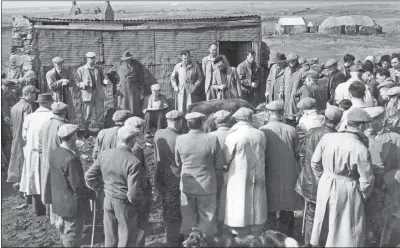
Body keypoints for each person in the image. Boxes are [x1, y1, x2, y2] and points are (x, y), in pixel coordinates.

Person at [310, 107, 374, 247]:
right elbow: (367, 179)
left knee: (325, 222)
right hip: (347, 187)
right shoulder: (359, 147)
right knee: (346, 228)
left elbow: (315, 163)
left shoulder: (327, 137)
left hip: (326, 183)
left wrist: (323, 178)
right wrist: (362, 195)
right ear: (362, 125)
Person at [85, 126, 143, 247]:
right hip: (124, 204)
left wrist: (100, 188)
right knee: (126, 238)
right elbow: (132, 194)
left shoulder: (104, 154)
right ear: (132, 141)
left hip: (108, 200)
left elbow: (89, 176)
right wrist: (139, 202)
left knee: (110, 236)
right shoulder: (133, 162)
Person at [295, 105, 343, 246]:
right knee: (326, 216)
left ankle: (309, 243)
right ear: (338, 122)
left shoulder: (312, 132)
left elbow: (302, 154)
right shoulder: (337, 137)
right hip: (326, 183)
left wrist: (305, 171)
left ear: (324, 119)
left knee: (311, 214)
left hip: (309, 181)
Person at [175, 112, 224, 237]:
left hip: (187, 186)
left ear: (187, 124)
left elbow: (177, 162)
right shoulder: (212, 139)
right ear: (202, 123)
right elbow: (219, 164)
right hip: (207, 185)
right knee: (207, 219)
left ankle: (189, 243)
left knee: (188, 219)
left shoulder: (180, 139)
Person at [223, 107, 267, 235]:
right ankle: (256, 227)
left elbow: (226, 158)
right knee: (256, 200)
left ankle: (238, 229)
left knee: (239, 200)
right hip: (257, 172)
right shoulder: (260, 134)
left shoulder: (233, 135)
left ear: (236, 119)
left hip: (238, 174)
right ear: (249, 118)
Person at [260, 101, 300, 237]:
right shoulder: (292, 130)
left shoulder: (263, 131)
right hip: (289, 171)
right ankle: (287, 235)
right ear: (282, 113)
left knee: (270, 205)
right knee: (287, 206)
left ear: (268, 113)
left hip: (270, 171)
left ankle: (271, 236)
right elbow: (297, 152)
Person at [50, 124, 94, 247]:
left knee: (64, 232)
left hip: (59, 201)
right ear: (73, 136)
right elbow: (78, 186)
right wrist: (91, 193)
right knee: (73, 235)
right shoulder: (71, 159)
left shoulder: (55, 153)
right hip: (71, 205)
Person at [363, 106, 400, 244]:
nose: (369, 125)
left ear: (381, 120)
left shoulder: (395, 139)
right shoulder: (361, 138)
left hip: (386, 186)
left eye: (372, 121)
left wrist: (388, 180)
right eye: (367, 121)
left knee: (386, 220)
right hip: (366, 186)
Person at [153, 110, 185, 247]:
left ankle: (170, 236)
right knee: (175, 211)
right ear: (179, 121)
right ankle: (174, 240)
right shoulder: (180, 138)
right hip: (175, 177)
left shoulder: (158, 134)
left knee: (166, 208)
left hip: (160, 175)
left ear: (167, 121)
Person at [19, 93, 54, 216]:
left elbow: (24, 136)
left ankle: (37, 208)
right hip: (45, 151)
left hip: (31, 151)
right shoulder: (52, 116)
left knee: (34, 178)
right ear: (49, 103)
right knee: (47, 178)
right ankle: (49, 210)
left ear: (38, 103)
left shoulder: (29, 117)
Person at [39, 102, 73, 224]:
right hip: (59, 161)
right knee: (60, 189)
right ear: (64, 113)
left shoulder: (45, 125)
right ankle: (59, 218)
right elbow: (69, 148)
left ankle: (50, 214)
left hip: (46, 161)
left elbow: (39, 145)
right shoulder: (63, 126)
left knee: (48, 187)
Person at [123, 117, 153, 247]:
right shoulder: (136, 148)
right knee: (140, 223)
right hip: (137, 189)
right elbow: (137, 172)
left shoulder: (120, 141)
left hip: (123, 188)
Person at [7, 85, 38, 186]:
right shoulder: (28, 106)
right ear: (29, 94)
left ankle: (16, 178)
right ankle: (23, 181)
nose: (35, 97)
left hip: (15, 134)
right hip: (24, 136)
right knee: (25, 157)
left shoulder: (15, 106)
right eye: (34, 94)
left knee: (16, 154)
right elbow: (28, 123)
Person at [208, 110, 233, 230]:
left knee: (216, 200)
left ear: (216, 122)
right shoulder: (235, 133)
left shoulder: (210, 136)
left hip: (215, 173)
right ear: (229, 121)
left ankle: (217, 225)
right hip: (233, 172)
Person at [77, 52, 106, 136]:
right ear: (87, 59)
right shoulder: (81, 69)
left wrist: (105, 82)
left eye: (94, 58)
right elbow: (77, 83)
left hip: (98, 93)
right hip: (87, 93)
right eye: (91, 58)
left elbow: (102, 79)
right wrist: (83, 84)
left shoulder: (98, 68)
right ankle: (86, 130)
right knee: (87, 112)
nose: (93, 60)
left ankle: (101, 131)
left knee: (100, 112)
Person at [113, 51, 145, 116]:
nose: (126, 61)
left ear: (130, 58)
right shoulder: (118, 65)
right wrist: (116, 83)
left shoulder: (136, 65)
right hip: (122, 89)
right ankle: (122, 120)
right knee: (122, 105)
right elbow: (109, 74)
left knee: (133, 106)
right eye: (125, 60)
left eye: (127, 59)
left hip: (133, 89)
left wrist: (142, 89)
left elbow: (141, 77)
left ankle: (133, 119)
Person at [46, 56, 76, 121]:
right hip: (56, 95)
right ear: (54, 64)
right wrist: (60, 81)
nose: (60, 65)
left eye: (61, 63)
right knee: (57, 110)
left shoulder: (66, 72)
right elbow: (51, 85)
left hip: (66, 94)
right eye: (58, 64)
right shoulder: (49, 74)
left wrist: (67, 82)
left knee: (67, 110)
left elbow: (72, 81)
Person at [280, 53, 304, 126]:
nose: (291, 63)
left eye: (293, 61)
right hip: (287, 97)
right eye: (289, 61)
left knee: (295, 117)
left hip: (296, 98)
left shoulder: (301, 70)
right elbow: (283, 81)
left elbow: (305, 84)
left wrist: (298, 92)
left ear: (296, 61)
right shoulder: (286, 70)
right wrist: (281, 90)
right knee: (286, 116)